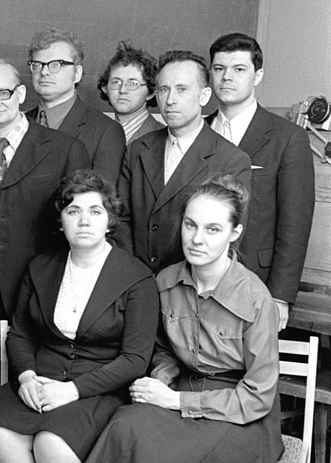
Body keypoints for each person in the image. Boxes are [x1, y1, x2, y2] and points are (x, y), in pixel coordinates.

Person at [84, 176, 281, 463]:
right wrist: (163, 379)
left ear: (235, 233)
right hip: (183, 389)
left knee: (196, 454)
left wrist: (177, 403)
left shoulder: (256, 298)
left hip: (241, 412)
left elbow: (258, 396)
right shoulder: (165, 281)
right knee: (127, 426)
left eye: (212, 229)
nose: (197, 238)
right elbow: (160, 347)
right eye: (191, 225)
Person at [0, 170, 157, 463]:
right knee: (0, 434)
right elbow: (20, 334)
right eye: (74, 210)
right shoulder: (41, 267)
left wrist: (74, 391)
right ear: (60, 220)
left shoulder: (136, 278)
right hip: (42, 379)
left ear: (110, 220)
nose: (84, 220)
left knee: (51, 445)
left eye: (95, 211)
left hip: (99, 390)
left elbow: (135, 359)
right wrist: (26, 375)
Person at [0, 59, 90, 319]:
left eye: (3, 93)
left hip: (35, 281)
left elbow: (77, 223)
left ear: (21, 94)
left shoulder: (64, 150)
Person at [208, 32, 315, 330]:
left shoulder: (288, 137)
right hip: (195, 276)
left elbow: (295, 222)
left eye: (239, 69)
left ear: (258, 76)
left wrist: (280, 295)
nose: (227, 77)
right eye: (219, 68)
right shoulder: (197, 130)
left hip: (257, 277)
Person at [114, 50, 252, 273]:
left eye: (181, 89)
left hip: (189, 282)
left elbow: (226, 239)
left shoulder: (231, 160)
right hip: (135, 277)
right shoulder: (138, 149)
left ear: (204, 96)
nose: (170, 100)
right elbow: (121, 218)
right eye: (164, 90)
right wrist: (134, 274)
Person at [25, 29, 126, 186]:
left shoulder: (106, 131)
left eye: (56, 65)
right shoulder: (20, 123)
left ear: (77, 73)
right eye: (37, 65)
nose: (44, 72)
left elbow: (102, 196)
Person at [96, 41, 160, 145]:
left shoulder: (163, 139)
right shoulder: (94, 134)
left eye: (133, 83)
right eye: (116, 82)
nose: (122, 90)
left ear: (151, 92)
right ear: (105, 88)